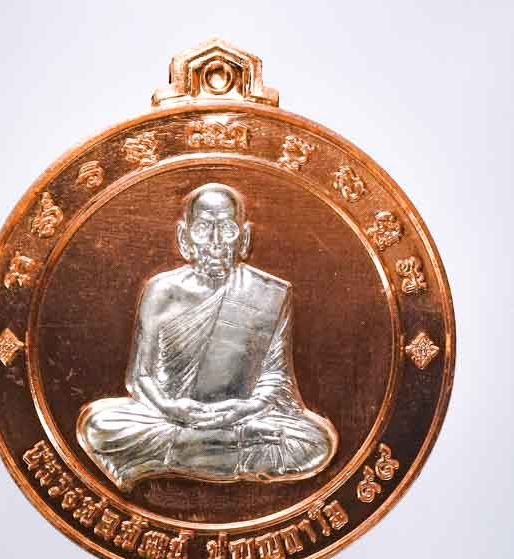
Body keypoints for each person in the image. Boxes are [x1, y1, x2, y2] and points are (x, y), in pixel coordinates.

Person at [77, 183, 338, 491]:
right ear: (184, 237)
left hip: (241, 416)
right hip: (170, 417)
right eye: (203, 229)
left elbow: (274, 377)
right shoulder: (161, 291)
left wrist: (246, 408)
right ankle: (223, 447)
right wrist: (170, 408)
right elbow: (140, 377)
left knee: (315, 442)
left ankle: (175, 453)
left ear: (244, 238)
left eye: (226, 229)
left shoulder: (269, 294)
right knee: (99, 425)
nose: (215, 243)